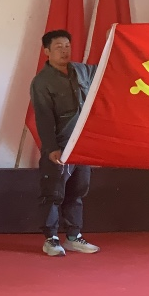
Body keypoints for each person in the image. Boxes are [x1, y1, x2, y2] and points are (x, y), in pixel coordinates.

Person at [30, 30, 101, 257]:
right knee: (53, 192)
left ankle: (73, 237)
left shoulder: (82, 71)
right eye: (58, 47)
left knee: (77, 191)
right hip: (60, 145)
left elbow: (108, 70)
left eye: (67, 46)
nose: (64, 51)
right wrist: (51, 148)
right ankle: (51, 239)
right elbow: (43, 117)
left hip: (83, 144)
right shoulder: (42, 82)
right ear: (47, 51)